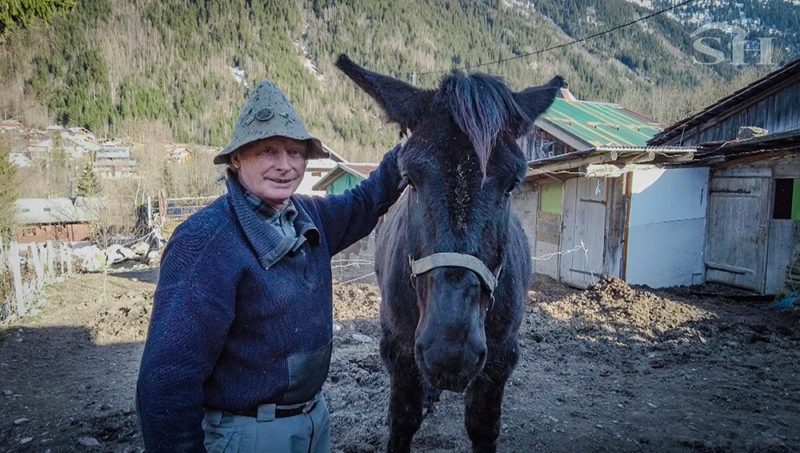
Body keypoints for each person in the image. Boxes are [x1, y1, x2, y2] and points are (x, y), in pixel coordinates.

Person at [136, 80, 403, 452]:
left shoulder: (308, 215)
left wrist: (407, 152)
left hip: (312, 424)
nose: (285, 165)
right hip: (247, 435)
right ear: (236, 159)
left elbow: (366, 201)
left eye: (295, 152)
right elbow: (167, 382)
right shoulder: (206, 241)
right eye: (268, 151)